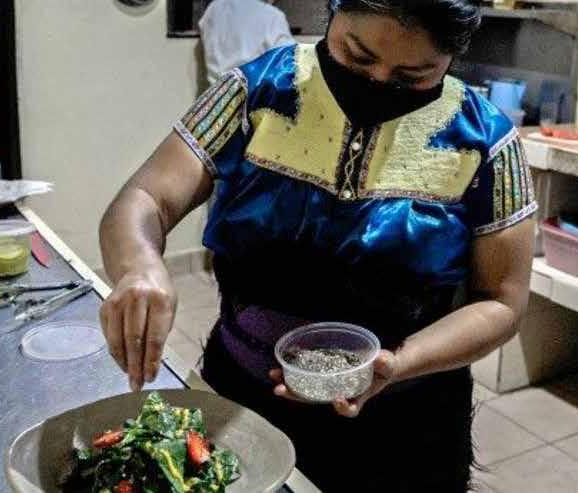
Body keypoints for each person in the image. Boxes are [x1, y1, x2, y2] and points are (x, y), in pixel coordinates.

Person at [99, 0, 535, 490]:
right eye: (357, 56)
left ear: (452, 56)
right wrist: (139, 265)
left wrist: (398, 364)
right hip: (243, 404)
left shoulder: (486, 140)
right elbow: (145, 197)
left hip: (407, 427)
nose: (377, 82)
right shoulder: (256, 91)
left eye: (411, 77)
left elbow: (502, 302)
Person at [198, 0, 294, 84]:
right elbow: (290, 63)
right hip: (254, 95)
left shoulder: (213, 8)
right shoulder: (272, 16)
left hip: (216, 95)